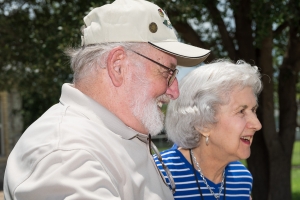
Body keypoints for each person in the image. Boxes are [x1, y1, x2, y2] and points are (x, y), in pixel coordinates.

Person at [3, 0, 210, 199]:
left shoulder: (117, 133)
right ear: (118, 66)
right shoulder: (66, 153)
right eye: (168, 72)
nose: (175, 91)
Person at [154, 59, 262, 200]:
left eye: (253, 110)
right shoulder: (158, 175)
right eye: (241, 111)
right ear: (203, 123)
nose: (257, 124)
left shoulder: (242, 179)